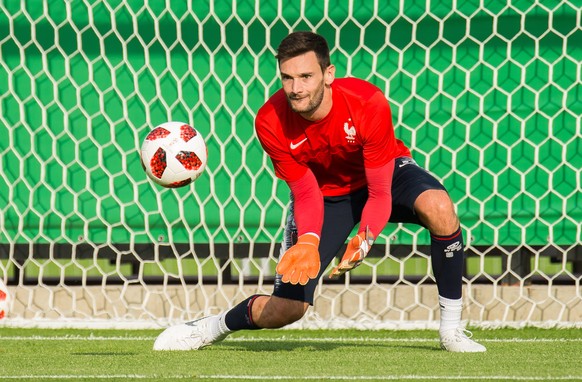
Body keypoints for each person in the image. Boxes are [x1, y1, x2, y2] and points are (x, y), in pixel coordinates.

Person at [153, 31, 486, 352]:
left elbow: (381, 192)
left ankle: (451, 330)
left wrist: (367, 236)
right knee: (286, 309)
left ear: (329, 74)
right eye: (287, 78)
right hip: (324, 197)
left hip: (381, 175)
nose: (296, 89)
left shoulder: (368, 103)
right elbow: (305, 191)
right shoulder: (269, 121)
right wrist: (310, 240)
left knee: (439, 207)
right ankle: (210, 327)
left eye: (306, 77)